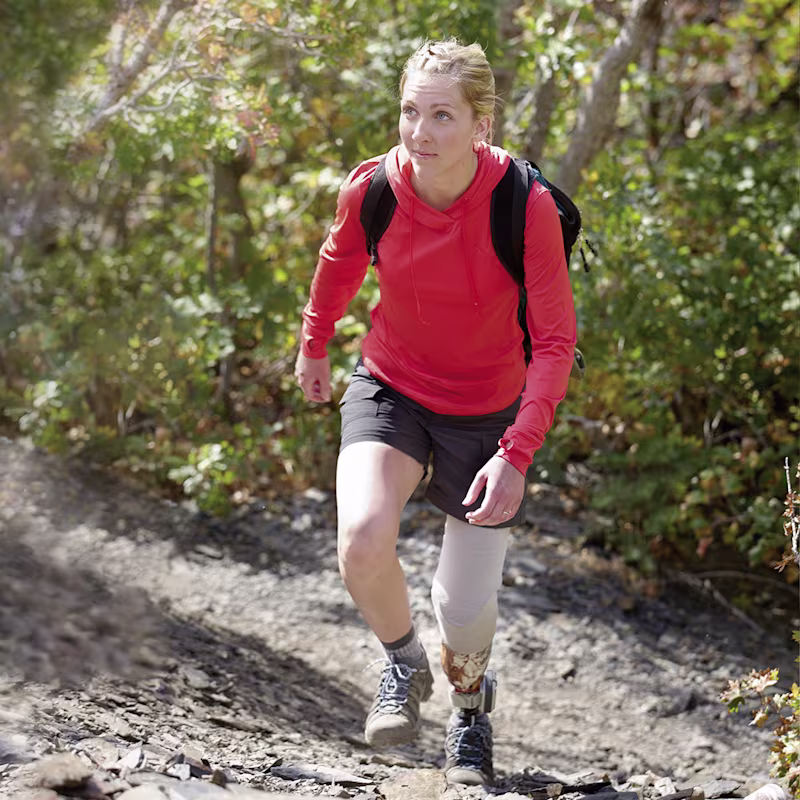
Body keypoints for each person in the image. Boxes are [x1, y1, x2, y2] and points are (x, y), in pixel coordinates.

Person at [294, 39, 576, 787]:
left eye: (442, 115)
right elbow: (339, 262)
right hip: (392, 382)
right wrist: (314, 345)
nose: (420, 132)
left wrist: (516, 453)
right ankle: (402, 664)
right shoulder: (375, 190)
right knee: (360, 540)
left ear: (481, 123)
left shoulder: (526, 206)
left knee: (463, 606)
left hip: (489, 413)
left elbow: (554, 341)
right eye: (410, 111)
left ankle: (471, 709)